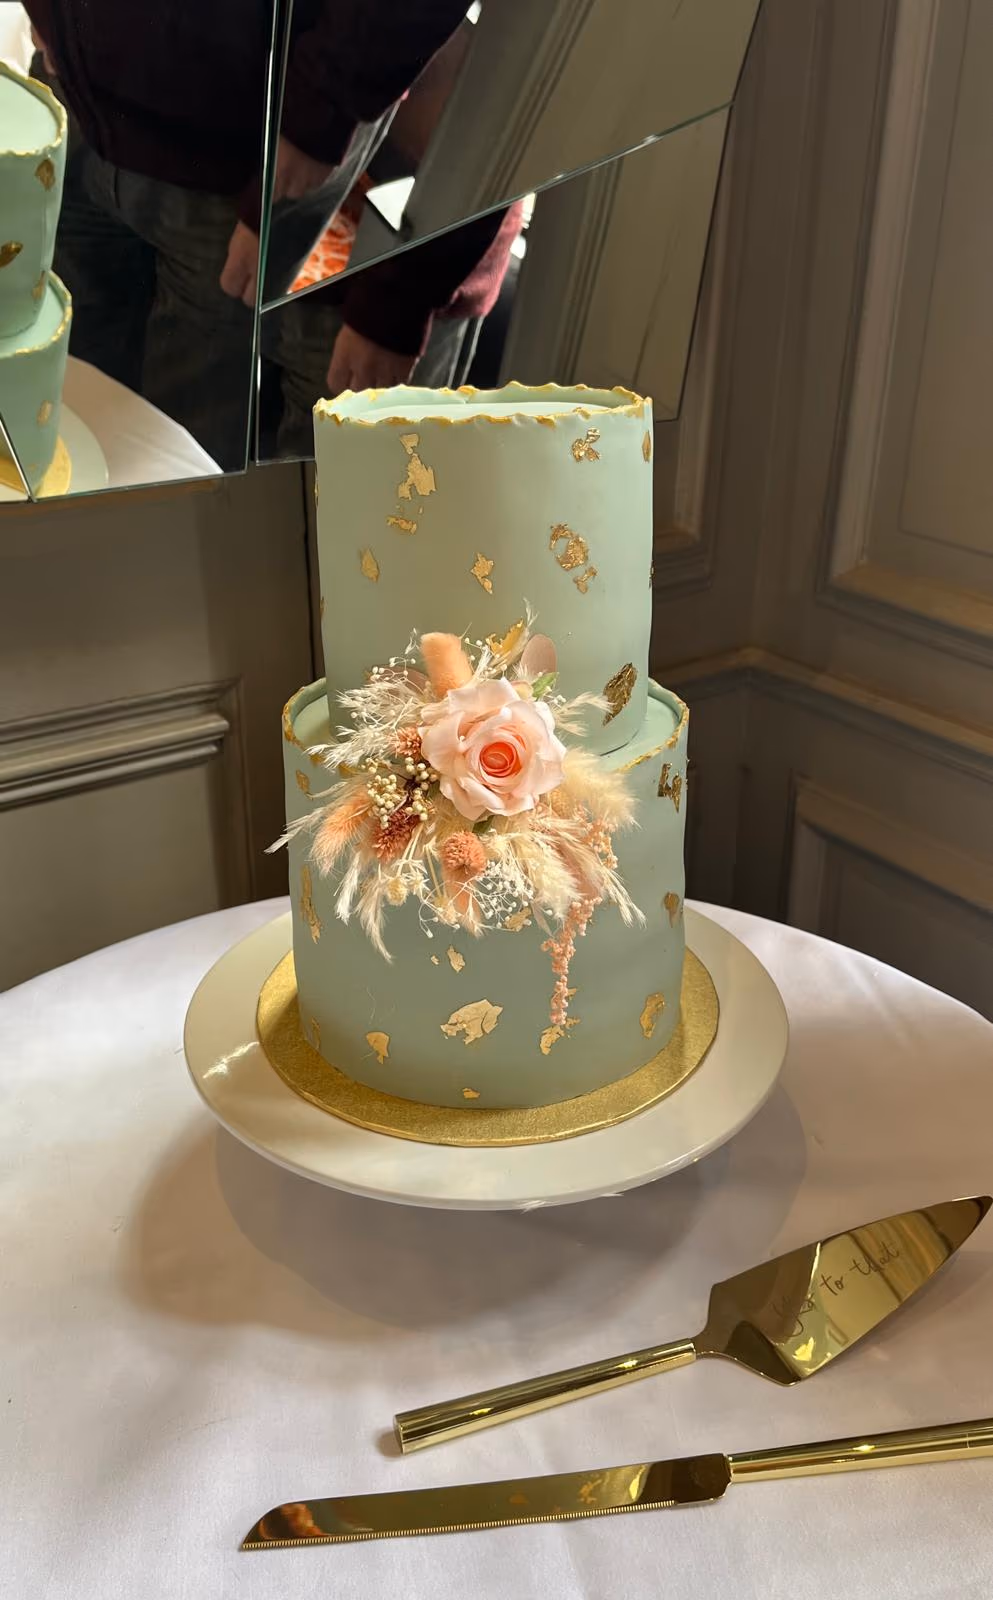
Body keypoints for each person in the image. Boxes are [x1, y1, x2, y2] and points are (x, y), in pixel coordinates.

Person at [23, 0, 476, 467]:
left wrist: (320, 114)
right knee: (63, 412)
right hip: (73, 98)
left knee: (177, 463)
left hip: (232, 157)